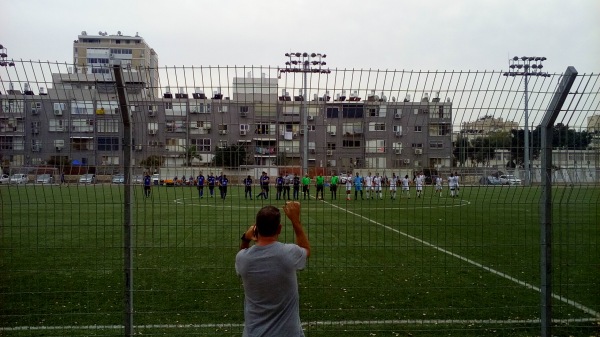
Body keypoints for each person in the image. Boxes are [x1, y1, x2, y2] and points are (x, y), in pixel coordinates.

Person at [236, 202, 311, 337]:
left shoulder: (243, 259)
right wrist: (295, 221)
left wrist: (245, 239)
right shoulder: (288, 253)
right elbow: (306, 250)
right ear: (279, 229)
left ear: (256, 229)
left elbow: (242, 253)